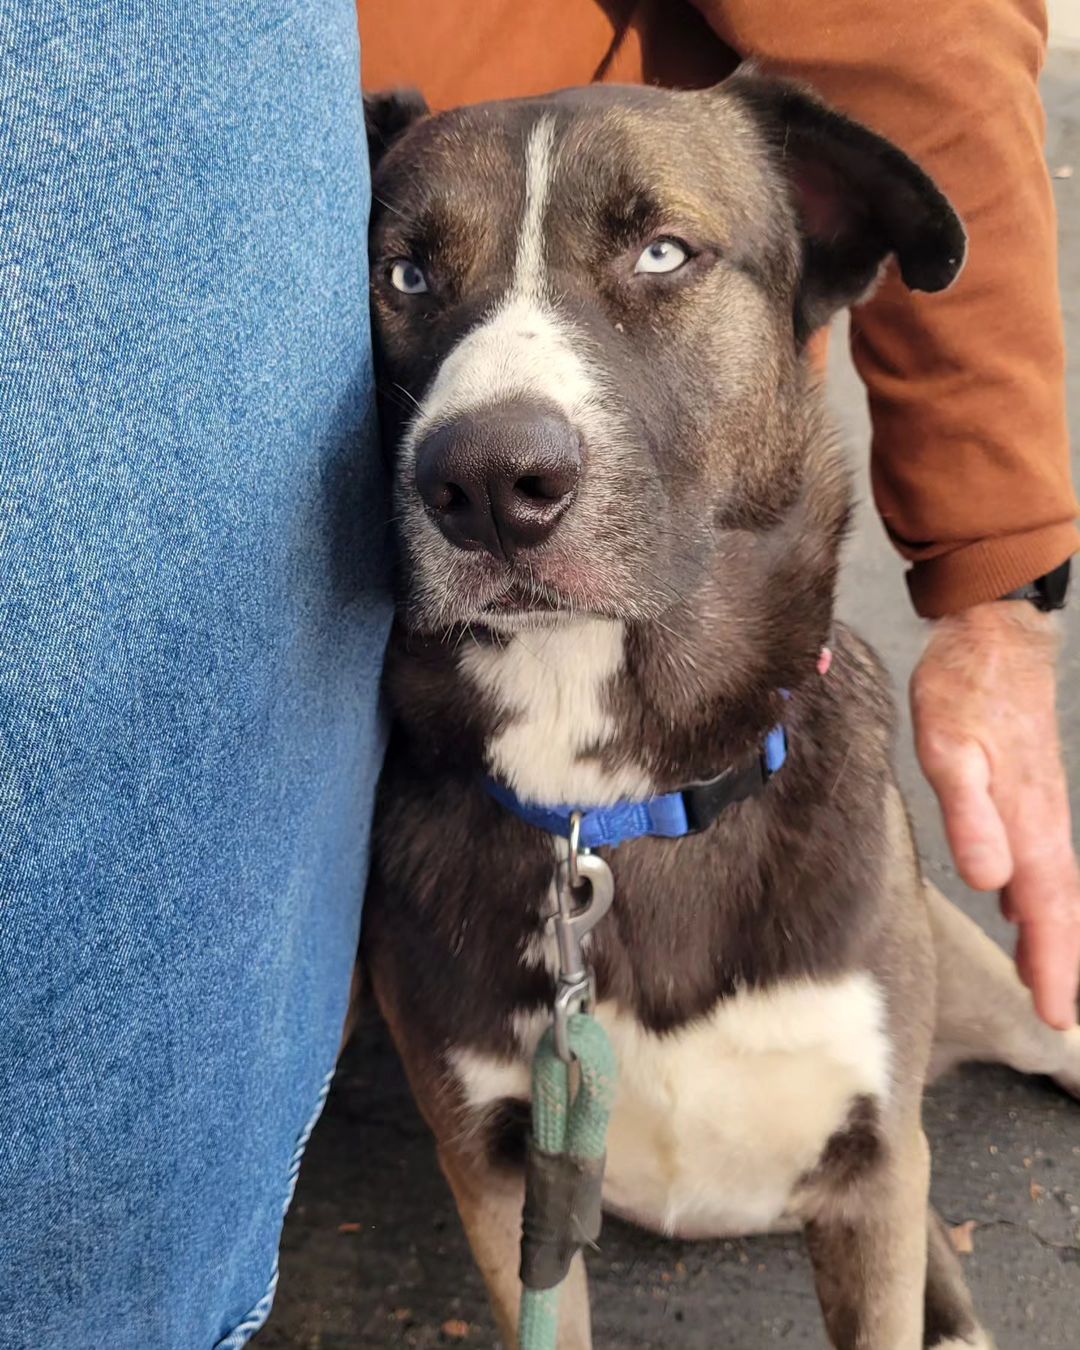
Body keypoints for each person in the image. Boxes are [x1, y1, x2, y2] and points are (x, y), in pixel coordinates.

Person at [0, 4, 1073, 1350]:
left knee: (976, 1046)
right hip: (461, 812)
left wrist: (997, 568)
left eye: (663, 254)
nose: (494, 445)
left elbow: (919, 30)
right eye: (408, 278)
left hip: (750, 795)